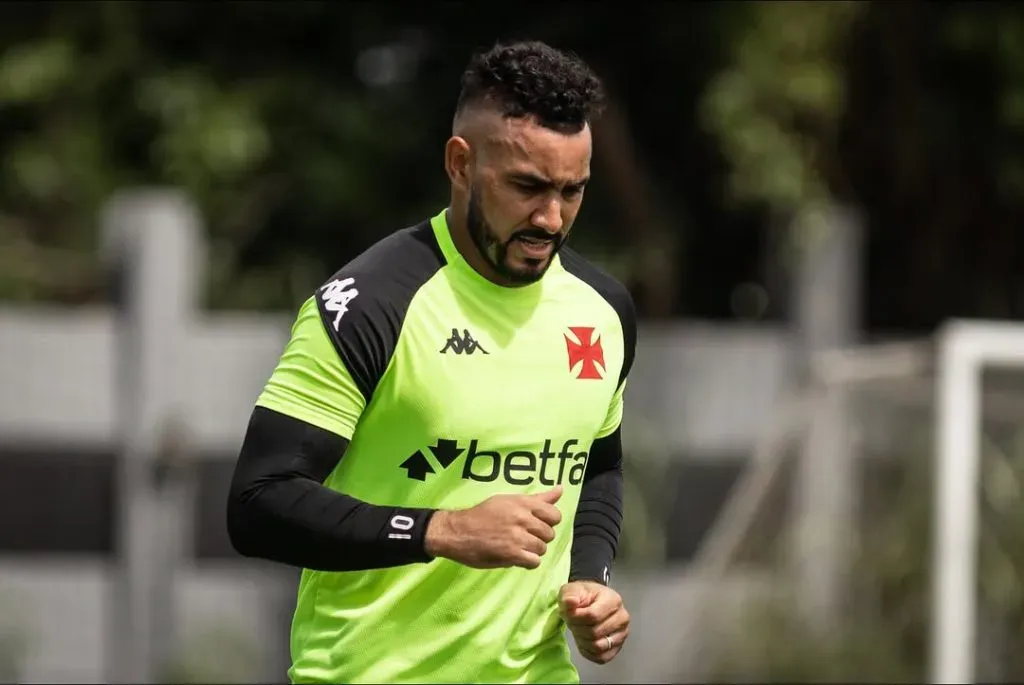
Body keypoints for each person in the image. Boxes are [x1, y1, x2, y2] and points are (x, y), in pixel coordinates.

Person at [226, 39, 636, 684]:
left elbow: (601, 468)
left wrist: (589, 582)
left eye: (572, 191)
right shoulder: (370, 306)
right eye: (527, 186)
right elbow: (258, 504)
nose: (551, 218)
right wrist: (441, 529)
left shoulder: (603, 310)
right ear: (461, 164)